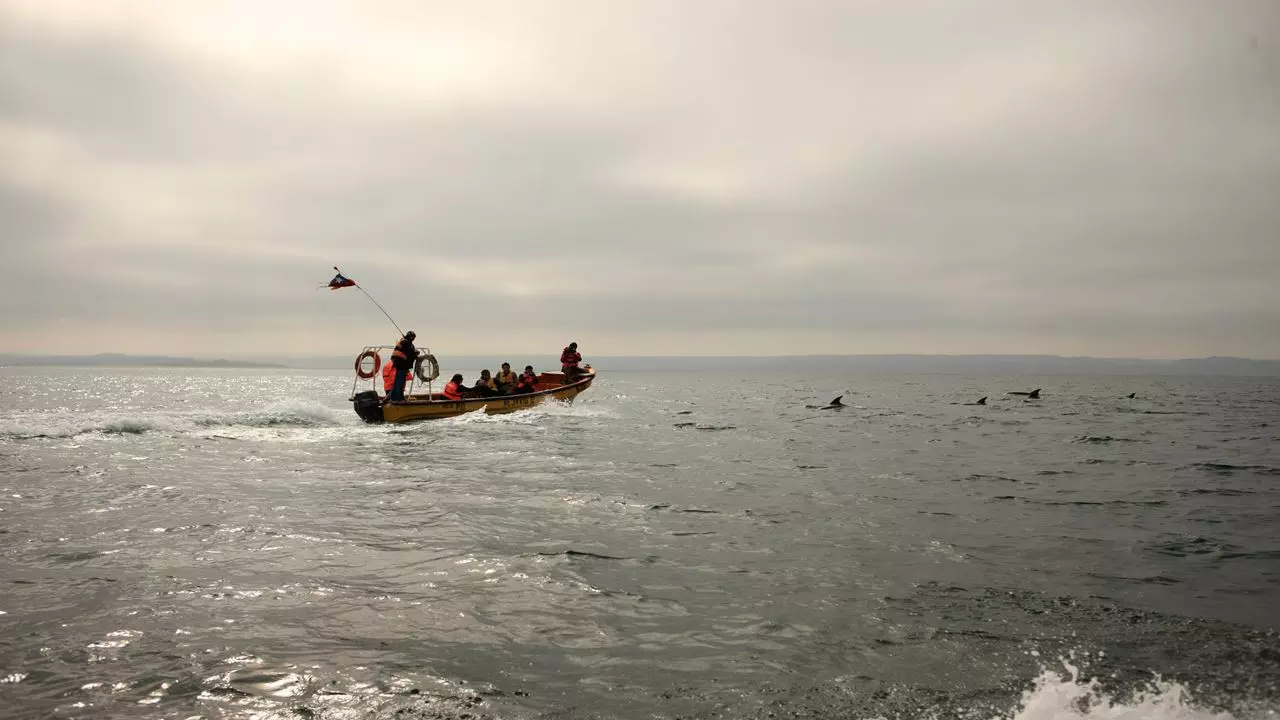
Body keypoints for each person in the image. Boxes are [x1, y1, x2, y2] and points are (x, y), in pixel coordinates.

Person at [387, 330, 418, 402]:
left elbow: (409, 351)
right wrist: (416, 355)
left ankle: (393, 397)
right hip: (402, 364)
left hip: (399, 364)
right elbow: (410, 352)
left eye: (414, 337)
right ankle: (399, 398)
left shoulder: (403, 341)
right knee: (400, 382)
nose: (413, 339)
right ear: (409, 336)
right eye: (412, 337)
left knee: (397, 381)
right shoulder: (406, 342)